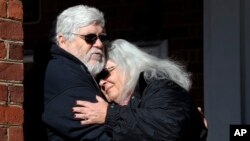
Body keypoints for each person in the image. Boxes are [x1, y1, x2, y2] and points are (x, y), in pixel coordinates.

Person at [72, 39, 208, 141]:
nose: (101, 82)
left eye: (105, 73)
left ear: (129, 66)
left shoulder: (159, 87)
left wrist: (109, 115)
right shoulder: (118, 106)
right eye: (97, 79)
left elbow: (169, 129)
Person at [42, 5, 112, 140]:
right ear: (62, 40)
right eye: (90, 37)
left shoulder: (70, 70)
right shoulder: (65, 76)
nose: (99, 44)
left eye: (102, 38)